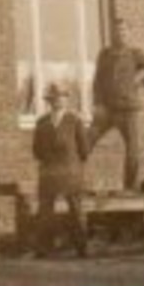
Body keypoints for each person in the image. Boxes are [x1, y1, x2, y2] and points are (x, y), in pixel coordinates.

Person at [90, 18, 144, 190]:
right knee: (86, 141)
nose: (120, 34)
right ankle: (74, 182)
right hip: (107, 109)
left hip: (127, 109)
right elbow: (97, 81)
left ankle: (129, 187)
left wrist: (142, 82)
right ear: (112, 34)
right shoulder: (104, 55)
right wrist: (97, 104)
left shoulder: (134, 54)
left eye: (123, 31)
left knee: (132, 150)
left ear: (128, 33)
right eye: (117, 31)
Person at [32, 84, 91, 257]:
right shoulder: (41, 123)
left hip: (70, 172)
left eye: (62, 97)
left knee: (75, 210)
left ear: (66, 100)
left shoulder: (75, 121)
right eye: (54, 97)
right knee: (45, 212)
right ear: (49, 101)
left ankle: (81, 248)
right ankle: (42, 249)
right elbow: (36, 150)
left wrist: (71, 163)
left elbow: (84, 150)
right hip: (49, 172)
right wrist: (49, 160)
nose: (58, 100)